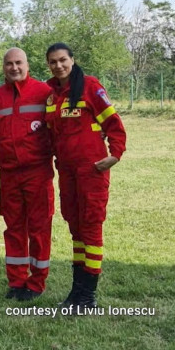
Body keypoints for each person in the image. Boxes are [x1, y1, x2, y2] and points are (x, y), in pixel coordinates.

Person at [44, 42, 126, 312]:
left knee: (90, 228)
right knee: (75, 228)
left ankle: (88, 296)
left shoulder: (90, 86)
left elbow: (113, 123)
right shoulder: (52, 94)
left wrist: (115, 154)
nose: (59, 65)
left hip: (91, 171)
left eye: (63, 60)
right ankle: (77, 292)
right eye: (53, 62)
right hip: (66, 171)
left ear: (72, 60)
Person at [0, 48, 55, 301]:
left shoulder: (44, 93)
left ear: (27, 65)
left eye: (18, 63)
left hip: (37, 172)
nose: (14, 68)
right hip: (9, 174)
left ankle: (37, 282)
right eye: (9, 64)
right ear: (3, 67)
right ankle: (16, 281)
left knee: (39, 229)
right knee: (14, 228)